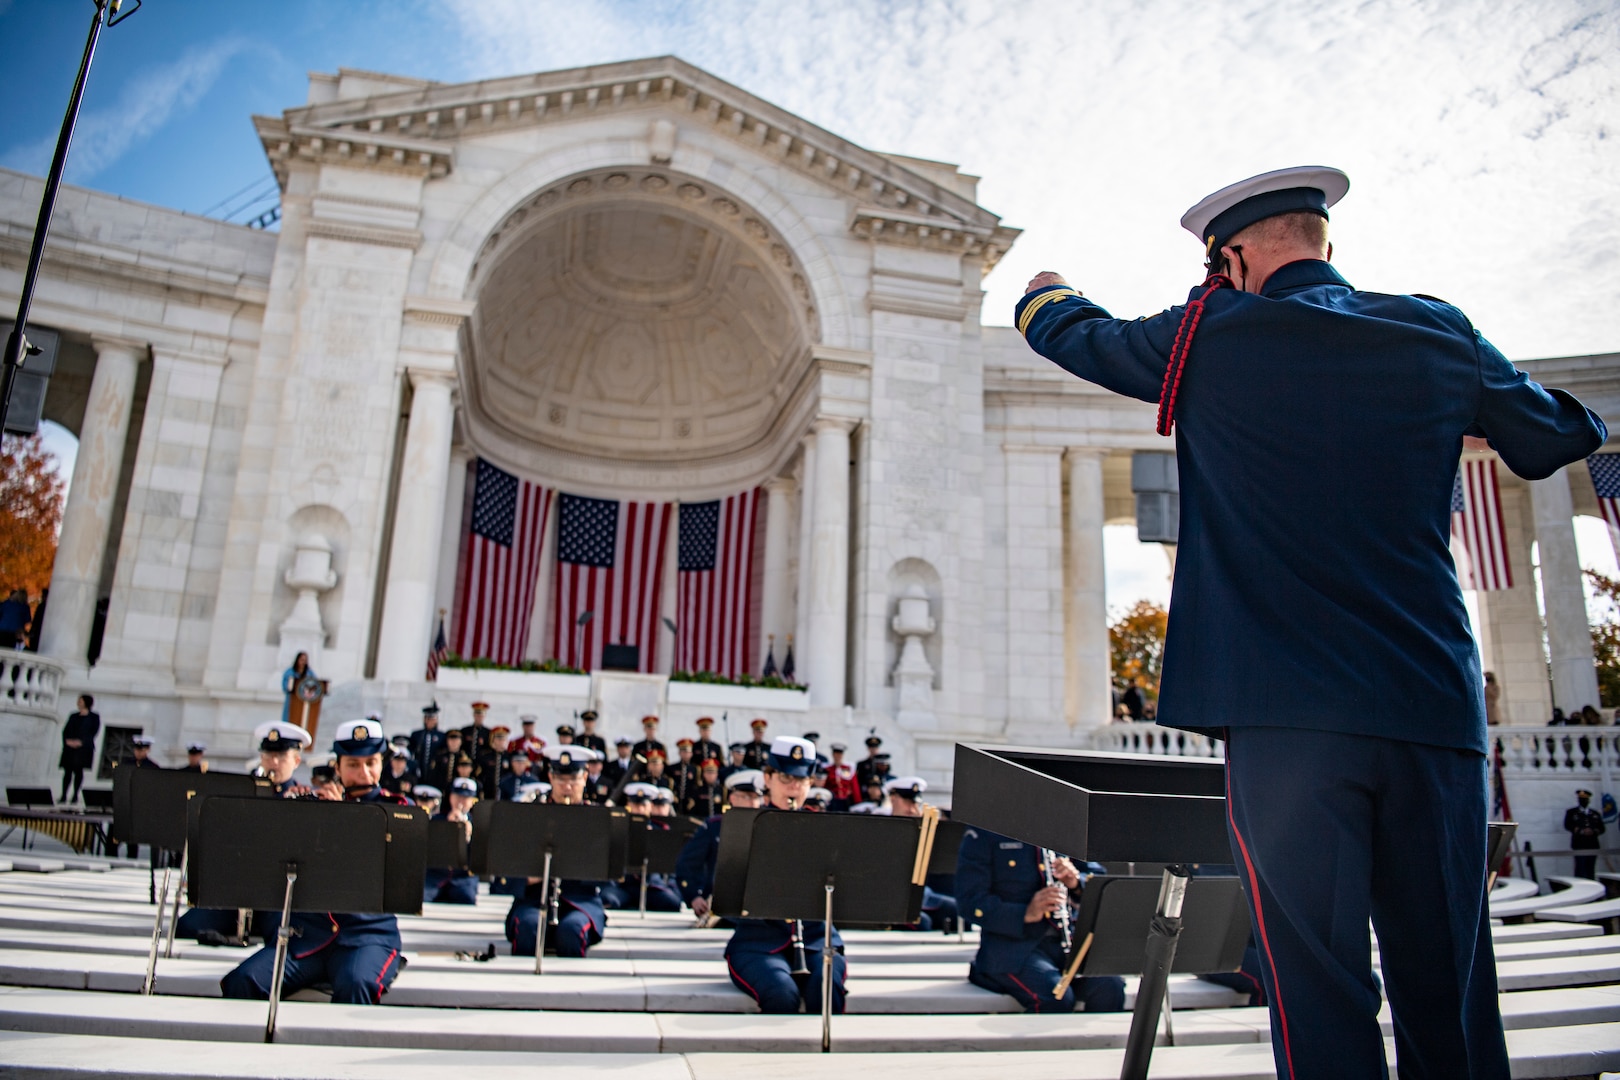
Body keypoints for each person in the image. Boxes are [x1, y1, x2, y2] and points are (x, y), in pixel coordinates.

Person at [1015, 165, 1606, 1075]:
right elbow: (1556, 436)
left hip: (1286, 720)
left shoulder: (1205, 335)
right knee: (1449, 984)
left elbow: (1077, 336)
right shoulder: (1435, 329)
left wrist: (1045, 288)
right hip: (1429, 708)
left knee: (1318, 992)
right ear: (1327, 243)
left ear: (1235, 257)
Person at [220, 718, 410, 1004]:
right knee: (244, 981)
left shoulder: (398, 810)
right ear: (338, 767)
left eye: (371, 763)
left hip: (366, 937)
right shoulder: (315, 804)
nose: (364, 773)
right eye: (353, 765)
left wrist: (340, 819)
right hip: (309, 937)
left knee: (355, 985)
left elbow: (390, 869)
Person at [720, 736, 848, 1014]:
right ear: (768, 778)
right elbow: (727, 898)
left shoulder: (825, 830)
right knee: (781, 993)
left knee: (825, 990)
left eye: (801, 780)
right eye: (786, 778)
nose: (794, 787)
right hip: (759, 942)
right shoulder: (746, 828)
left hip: (816, 940)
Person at [956, 825, 1125, 1014]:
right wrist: (1025, 912)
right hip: (1012, 949)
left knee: (1110, 986)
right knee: (1056, 997)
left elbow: (1099, 880)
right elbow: (970, 901)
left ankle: (1097, 1044)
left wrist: (1077, 882)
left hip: (1067, 943)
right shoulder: (985, 833)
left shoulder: (1067, 829)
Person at [504, 746, 608, 958]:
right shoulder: (532, 815)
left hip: (579, 902)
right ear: (550, 777)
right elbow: (509, 866)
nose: (567, 787)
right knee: (527, 930)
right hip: (534, 898)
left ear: (585, 777)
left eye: (573, 780)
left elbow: (607, 874)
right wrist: (528, 877)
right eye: (560, 780)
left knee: (572, 933)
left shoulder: (596, 819)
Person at [676, 769, 765, 908]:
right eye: (747, 797)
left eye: (756, 798)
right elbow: (687, 863)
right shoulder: (714, 826)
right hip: (719, 902)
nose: (753, 803)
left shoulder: (765, 827)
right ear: (733, 798)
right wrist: (694, 896)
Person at [883, 777, 959, 932]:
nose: (912, 809)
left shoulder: (920, 827)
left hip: (923, 896)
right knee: (923, 923)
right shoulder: (881, 827)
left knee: (960, 914)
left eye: (915, 803)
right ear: (893, 799)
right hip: (892, 900)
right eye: (907, 802)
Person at [425, 777, 480, 904]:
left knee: (467, 898)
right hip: (436, 877)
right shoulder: (436, 820)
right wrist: (446, 828)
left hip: (462, 879)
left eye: (465, 798)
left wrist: (468, 836)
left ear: (472, 801)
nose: (460, 801)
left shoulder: (477, 824)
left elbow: (479, 859)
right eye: (457, 796)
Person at [58, 695, 100, 805]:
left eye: (80, 701)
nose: (78, 702)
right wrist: (68, 741)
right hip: (70, 748)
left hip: (83, 749)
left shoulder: (94, 717)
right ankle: (63, 795)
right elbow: (65, 731)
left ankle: (75, 795)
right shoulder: (73, 716)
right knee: (67, 772)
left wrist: (81, 742)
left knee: (78, 771)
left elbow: (93, 732)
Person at [254, 720, 313, 796]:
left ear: (296, 761)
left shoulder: (303, 797)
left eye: (281, 755)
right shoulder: (248, 792)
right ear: (261, 758)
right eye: (268, 754)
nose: (274, 761)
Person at [1566, 789, 1605, 880]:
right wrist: (1581, 831)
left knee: (1590, 869)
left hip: (1592, 845)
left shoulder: (1594, 813)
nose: (1583, 801)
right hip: (1579, 844)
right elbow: (1568, 825)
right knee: (1580, 869)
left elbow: (1602, 828)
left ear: (1589, 800)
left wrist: (1593, 831)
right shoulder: (1572, 812)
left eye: (1585, 799)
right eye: (1581, 799)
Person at [408, 703, 447, 769]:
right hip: (419, 765)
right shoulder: (417, 734)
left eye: (433, 719)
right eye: (428, 719)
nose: (430, 722)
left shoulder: (441, 735)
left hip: (434, 767)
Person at [279, 652, 315, 724]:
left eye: (305, 660)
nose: (303, 662)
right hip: (292, 700)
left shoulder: (309, 673)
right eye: (301, 660)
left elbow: (315, 684)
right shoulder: (290, 672)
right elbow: (285, 686)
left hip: (304, 702)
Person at [427, 728, 465, 793]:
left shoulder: (463, 757)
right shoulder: (439, 756)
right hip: (441, 789)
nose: (454, 742)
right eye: (451, 740)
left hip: (458, 791)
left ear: (460, 742)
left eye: (456, 740)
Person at [825, 742, 859, 811]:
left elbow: (855, 787)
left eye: (840, 754)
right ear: (833, 755)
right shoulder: (828, 769)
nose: (838, 756)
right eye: (836, 754)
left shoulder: (848, 769)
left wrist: (857, 803)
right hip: (833, 800)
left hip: (846, 800)